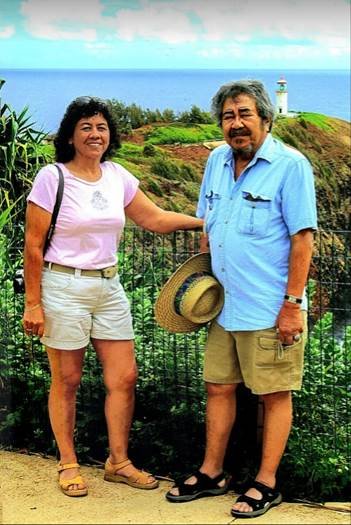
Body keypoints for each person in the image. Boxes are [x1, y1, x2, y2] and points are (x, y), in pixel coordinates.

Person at [22, 96, 203, 498]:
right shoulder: (53, 177)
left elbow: (153, 219)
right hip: (63, 286)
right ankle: (68, 463)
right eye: (86, 126)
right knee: (67, 380)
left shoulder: (117, 175)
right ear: (70, 135)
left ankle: (118, 462)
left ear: (110, 135)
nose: (94, 134)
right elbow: (33, 246)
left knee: (124, 377)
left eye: (101, 127)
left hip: (109, 286)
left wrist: (205, 221)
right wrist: (32, 303)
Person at [165, 80, 317, 518]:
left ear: (266, 119)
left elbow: (302, 239)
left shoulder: (291, 165)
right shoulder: (215, 160)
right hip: (223, 307)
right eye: (229, 116)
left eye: (245, 115)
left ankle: (266, 483)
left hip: (270, 308)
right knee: (218, 387)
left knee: (274, 394)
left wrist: (292, 305)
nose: (236, 124)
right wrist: (203, 286)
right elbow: (208, 224)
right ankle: (212, 472)